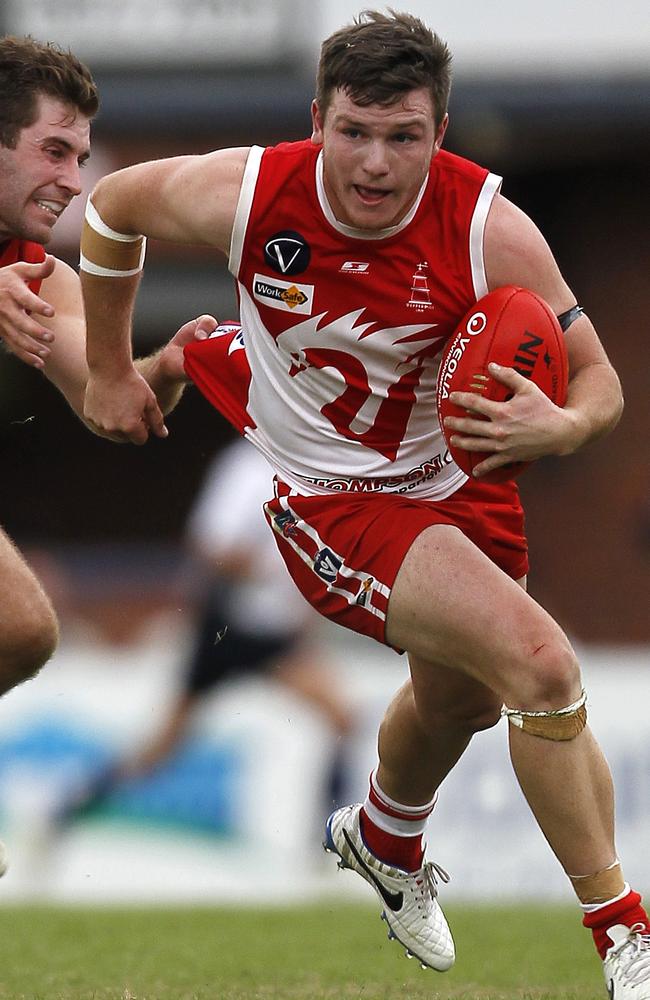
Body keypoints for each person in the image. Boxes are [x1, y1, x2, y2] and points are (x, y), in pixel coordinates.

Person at [77, 10, 646, 996]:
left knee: (459, 698)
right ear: (316, 119)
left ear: (439, 132)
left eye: (403, 135)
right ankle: (623, 936)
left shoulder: (486, 228)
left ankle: (383, 834)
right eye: (353, 130)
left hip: (458, 474)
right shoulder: (250, 193)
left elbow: (599, 382)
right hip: (332, 496)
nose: (374, 162)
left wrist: (560, 429)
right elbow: (111, 209)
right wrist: (103, 371)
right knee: (541, 663)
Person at [0, 40, 213, 727]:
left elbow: (107, 401)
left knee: (20, 630)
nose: (72, 179)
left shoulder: (34, 274)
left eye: (81, 160)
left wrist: (158, 371)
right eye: (54, 151)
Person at [58, 433, 351, 824]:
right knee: (161, 748)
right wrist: (262, 569)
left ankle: (331, 838)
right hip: (230, 630)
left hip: (275, 635)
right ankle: (71, 808)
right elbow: (209, 547)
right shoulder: (246, 467)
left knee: (341, 721)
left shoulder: (316, 471)